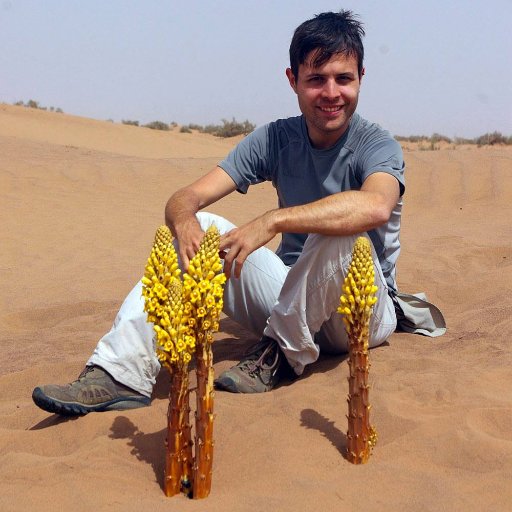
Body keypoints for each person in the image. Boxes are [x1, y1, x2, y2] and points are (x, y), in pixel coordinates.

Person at [32, 10, 445, 416]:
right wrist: (185, 222)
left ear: (361, 79)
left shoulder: (377, 144)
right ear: (293, 81)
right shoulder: (275, 138)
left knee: (344, 231)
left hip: (361, 314)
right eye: (316, 79)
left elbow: (375, 206)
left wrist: (273, 220)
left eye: (343, 79)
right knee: (207, 227)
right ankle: (118, 373)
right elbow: (185, 197)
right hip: (288, 298)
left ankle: (280, 356)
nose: (331, 93)